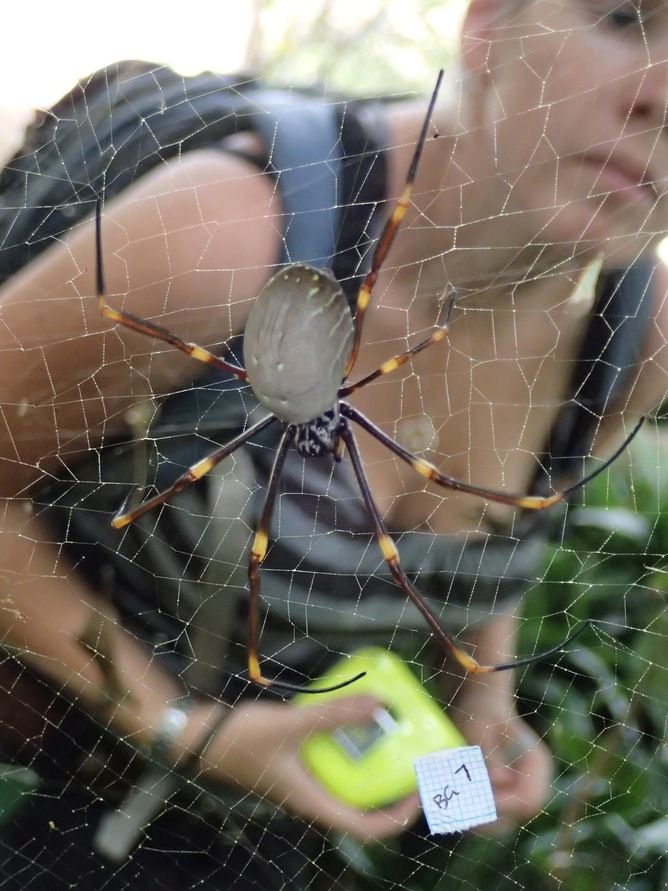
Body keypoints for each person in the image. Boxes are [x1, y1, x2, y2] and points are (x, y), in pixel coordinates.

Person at [0, 0, 667, 886]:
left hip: (278, 836)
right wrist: (179, 727)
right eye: (623, 16)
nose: (661, 95)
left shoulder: (633, 337)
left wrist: (483, 699)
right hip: (56, 792)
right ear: (489, 25)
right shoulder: (226, 240)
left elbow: (495, 530)